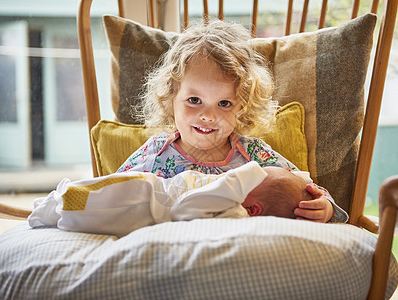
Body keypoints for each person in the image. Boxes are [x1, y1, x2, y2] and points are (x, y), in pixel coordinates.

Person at [116, 20, 348, 223]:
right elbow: (109, 193)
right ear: (170, 98)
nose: (208, 115)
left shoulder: (254, 155)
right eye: (194, 100)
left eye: (224, 103)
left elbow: (302, 190)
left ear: (242, 106)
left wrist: (324, 208)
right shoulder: (156, 153)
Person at [28, 162, 312, 237]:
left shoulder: (234, 213)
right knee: (90, 191)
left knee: (86, 202)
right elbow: (299, 178)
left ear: (254, 209)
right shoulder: (234, 203)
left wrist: (238, 180)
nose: (238, 173)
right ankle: (52, 204)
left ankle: (49, 209)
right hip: (148, 190)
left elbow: (185, 207)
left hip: (144, 202)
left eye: (252, 178)